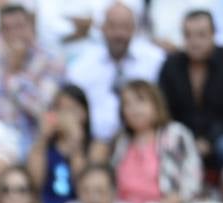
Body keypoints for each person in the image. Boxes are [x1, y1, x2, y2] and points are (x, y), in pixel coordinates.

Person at [157, 9, 223, 203]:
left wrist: (208, 141)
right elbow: (163, 111)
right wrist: (189, 141)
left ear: (214, 34)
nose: (195, 42)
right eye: (188, 35)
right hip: (184, 139)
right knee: (162, 141)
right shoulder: (171, 66)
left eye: (202, 34)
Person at [67, 3, 166, 142]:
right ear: (102, 28)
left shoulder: (156, 60)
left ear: (134, 29)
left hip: (145, 140)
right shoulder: (81, 67)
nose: (119, 34)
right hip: (93, 143)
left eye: (125, 27)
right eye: (113, 26)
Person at [0, 3, 63, 150]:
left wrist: (13, 73)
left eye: (19, 26)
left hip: (35, 140)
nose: (15, 34)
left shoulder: (51, 61)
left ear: (31, 26)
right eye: (7, 29)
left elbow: (42, 107)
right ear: (0, 32)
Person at [110, 79, 202, 203]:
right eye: (127, 104)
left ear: (156, 104)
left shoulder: (175, 134)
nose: (133, 109)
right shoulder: (121, 141)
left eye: (140, 101)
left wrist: (178, 198)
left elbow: (193, 177)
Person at [28, 84, 93, 203]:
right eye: (61, 109)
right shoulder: (44, 146)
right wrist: (43, 138)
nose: (66, 115)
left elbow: (84, 186)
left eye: (72, 109)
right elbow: (34, 183)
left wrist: (75, 141)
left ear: (85, 113)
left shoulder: (95, 146)